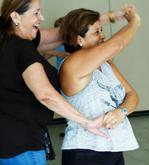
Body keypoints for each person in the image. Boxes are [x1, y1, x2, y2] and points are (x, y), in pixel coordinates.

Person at [0, 0, 107, 164]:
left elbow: (62, 33)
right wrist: (86, 122)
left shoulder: (6, 42)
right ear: (15, 16)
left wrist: (112, 16)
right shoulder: (22, 47)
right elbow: (45, 95)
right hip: (21, 145)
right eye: (36, 13)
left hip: (8, 141)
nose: (41, 17)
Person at [58, 6, 140, 165]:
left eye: (101, 30)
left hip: (113, 148)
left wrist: (121, 112)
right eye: (96, 32)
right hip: (85, 151)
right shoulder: (72, 64)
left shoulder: (106, 64)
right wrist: (134, 21)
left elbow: (132, 95)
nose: (102, 36)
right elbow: (117, 44)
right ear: (79, 40)